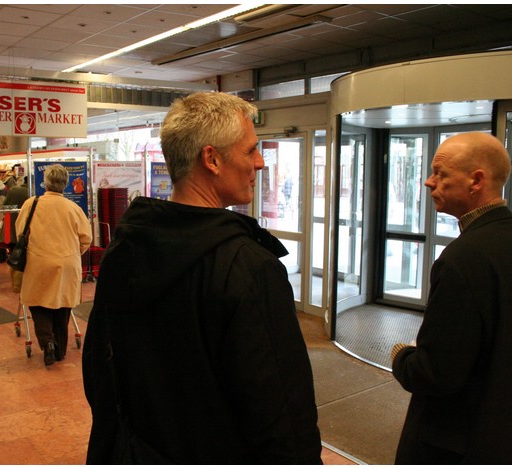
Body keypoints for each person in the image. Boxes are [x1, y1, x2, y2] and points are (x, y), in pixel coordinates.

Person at [82, 92, 322, 464]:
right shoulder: (249, 268)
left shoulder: (124, 250)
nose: (260, 164)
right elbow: (282, 415)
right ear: (211, 159)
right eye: (250, 151)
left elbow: (98, 371)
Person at [390, 132, 512, 464]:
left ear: (476, 180)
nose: (428, 182)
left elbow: (436, 374)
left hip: (460, 444)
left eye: (441, 173)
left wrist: (402, 357)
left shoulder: (462, 258)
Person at [16, 164, 91, 366]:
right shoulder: (73, 208)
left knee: (38, 304)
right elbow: (86, 239)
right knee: (62, 305)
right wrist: (72, 253)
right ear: (65, 184)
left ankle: (47, 342)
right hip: (67, 263)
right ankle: (60, 351)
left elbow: (20, 233)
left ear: (45, 182)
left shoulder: (31, 204)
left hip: (38, 262)